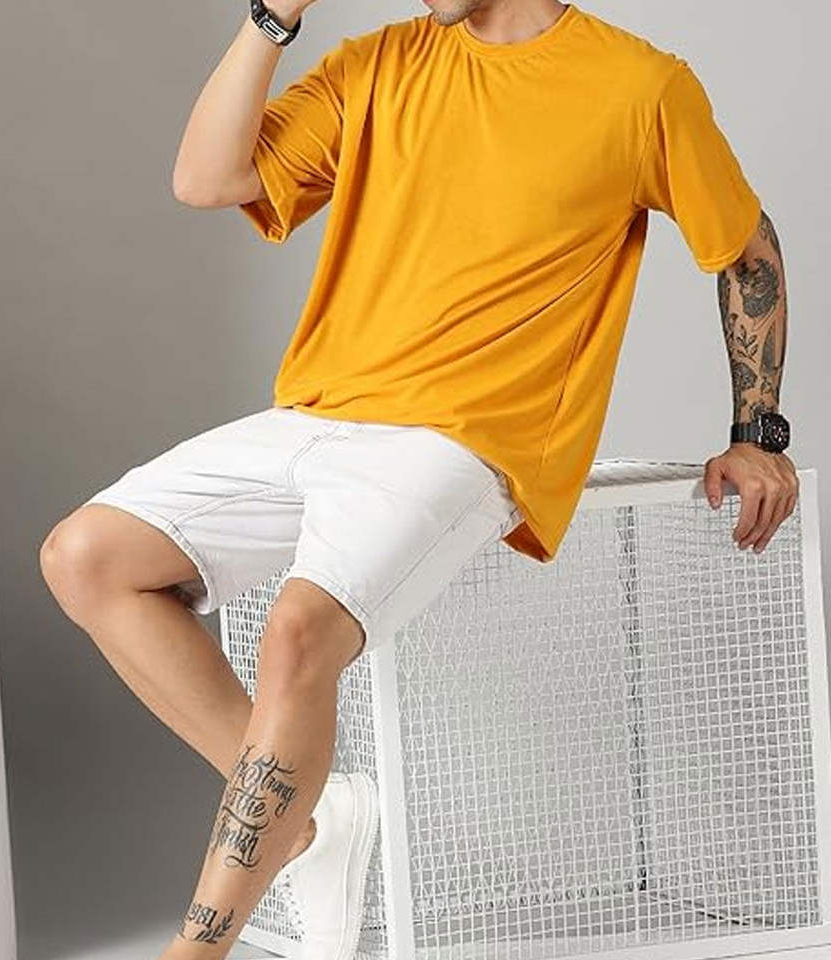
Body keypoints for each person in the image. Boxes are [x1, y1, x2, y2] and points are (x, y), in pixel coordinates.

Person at [39, 1, 798, 958]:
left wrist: (756, 432)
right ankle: (307, 817)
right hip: (318, 411)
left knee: (298, 632)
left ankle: (198, 948)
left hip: (465, 438)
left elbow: (747, 249)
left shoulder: (641, 87)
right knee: (86, 557)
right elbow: (206, 179)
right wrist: (273, 17)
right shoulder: (380, 63)